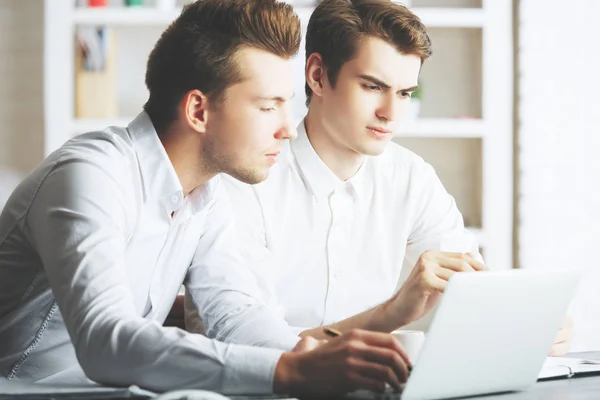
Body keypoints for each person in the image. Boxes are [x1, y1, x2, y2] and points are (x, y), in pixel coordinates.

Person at [0, 0, 412, 396]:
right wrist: (288, 371)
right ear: (198, 110)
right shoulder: (90, 175)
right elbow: (105, 341)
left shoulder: (207, 193)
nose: (289, 129)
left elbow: (234, 316)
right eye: (269, 107)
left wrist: (316, 359)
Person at [185, 0, 573, 355]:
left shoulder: (412, 180)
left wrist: (522, 327)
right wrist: (391, 313)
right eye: (373, 87)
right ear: (317, 75)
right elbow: (242, 348)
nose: (391, 113)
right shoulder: (241, 179)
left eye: (405, 93)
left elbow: (474, 303)